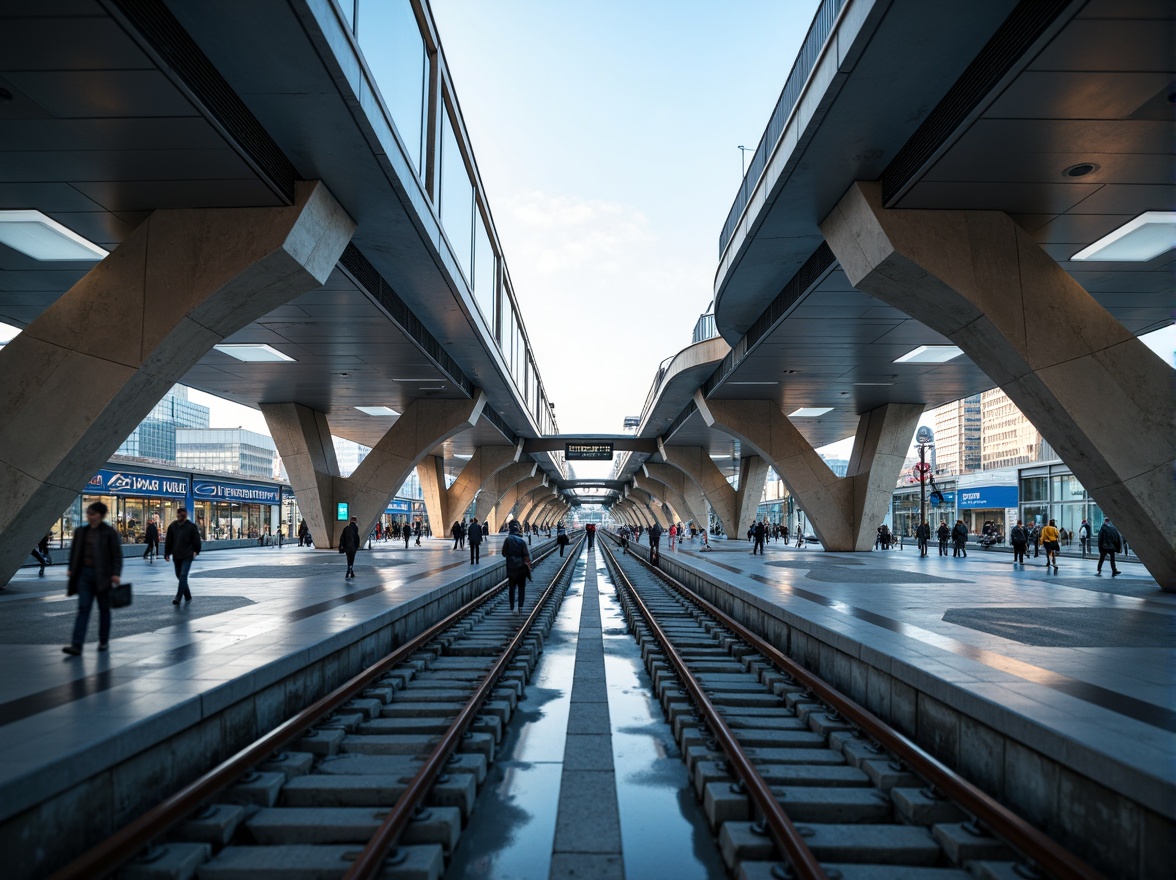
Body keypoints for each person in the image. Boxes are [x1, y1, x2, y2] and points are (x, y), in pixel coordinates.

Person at [63, 501, 122, 655]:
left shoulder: (109, 532)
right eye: (88, 513)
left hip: (103, 575)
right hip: (84, 574)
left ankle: (103, 640)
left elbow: (117, 555)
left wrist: (116, 573)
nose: (89, 516)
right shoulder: (81, 531)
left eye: (92, 513)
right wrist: (71, 569)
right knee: (83, 608)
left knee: (104, 609)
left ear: (101, 516)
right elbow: (75, 552)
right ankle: (77, 645)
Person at [164, 506, 202, 604]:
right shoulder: (172, 526)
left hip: (187, 555)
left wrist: (196, 551)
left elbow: (196, 540)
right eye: (179, 513)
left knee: (183, 575)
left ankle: (178, 597)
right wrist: (167, 553)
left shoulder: (191, 526)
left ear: (185, 515)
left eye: (182, 514)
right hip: (176, 555)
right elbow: (169, 541)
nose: (180, 516)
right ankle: (188, 595)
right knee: (179, 575)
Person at [502, 521, 532, 613]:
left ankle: (511, 605)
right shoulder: (522, 541)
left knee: (512, 588)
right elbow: (526, 555)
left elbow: (504, 553)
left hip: (511, 568)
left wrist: (510, 556)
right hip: (521, 568)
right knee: (521, 588)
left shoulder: (507, 540)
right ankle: (520, 606)